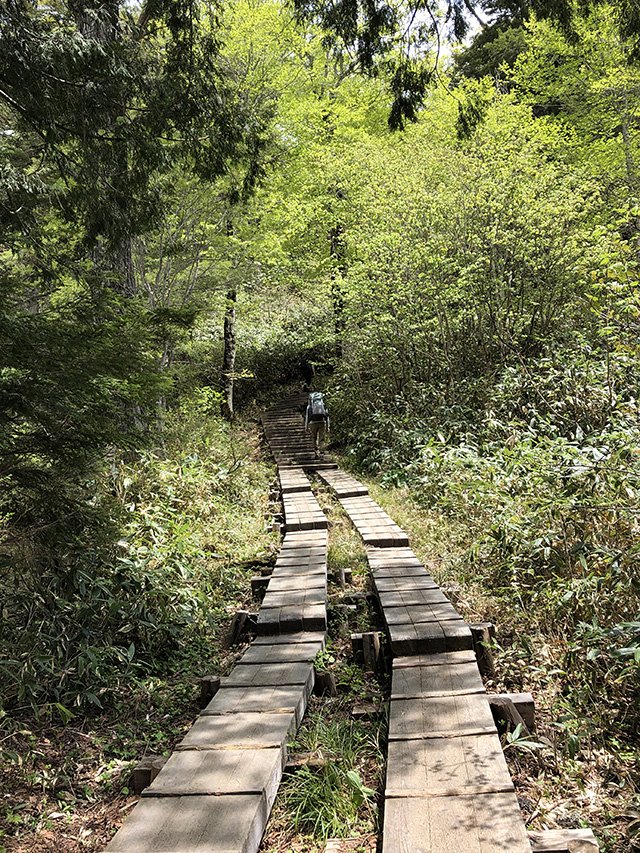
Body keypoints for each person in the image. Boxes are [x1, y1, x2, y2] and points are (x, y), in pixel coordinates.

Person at [305, 391, 330, 458]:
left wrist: (306, 427)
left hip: (313, 423)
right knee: (321, 439)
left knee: (314, 438)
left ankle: (316, 452)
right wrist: (328, 426)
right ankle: (321, 453)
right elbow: (327, 416)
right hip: (321, 422)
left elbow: (307, 417)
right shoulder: (323, 405)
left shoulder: (309, 406)